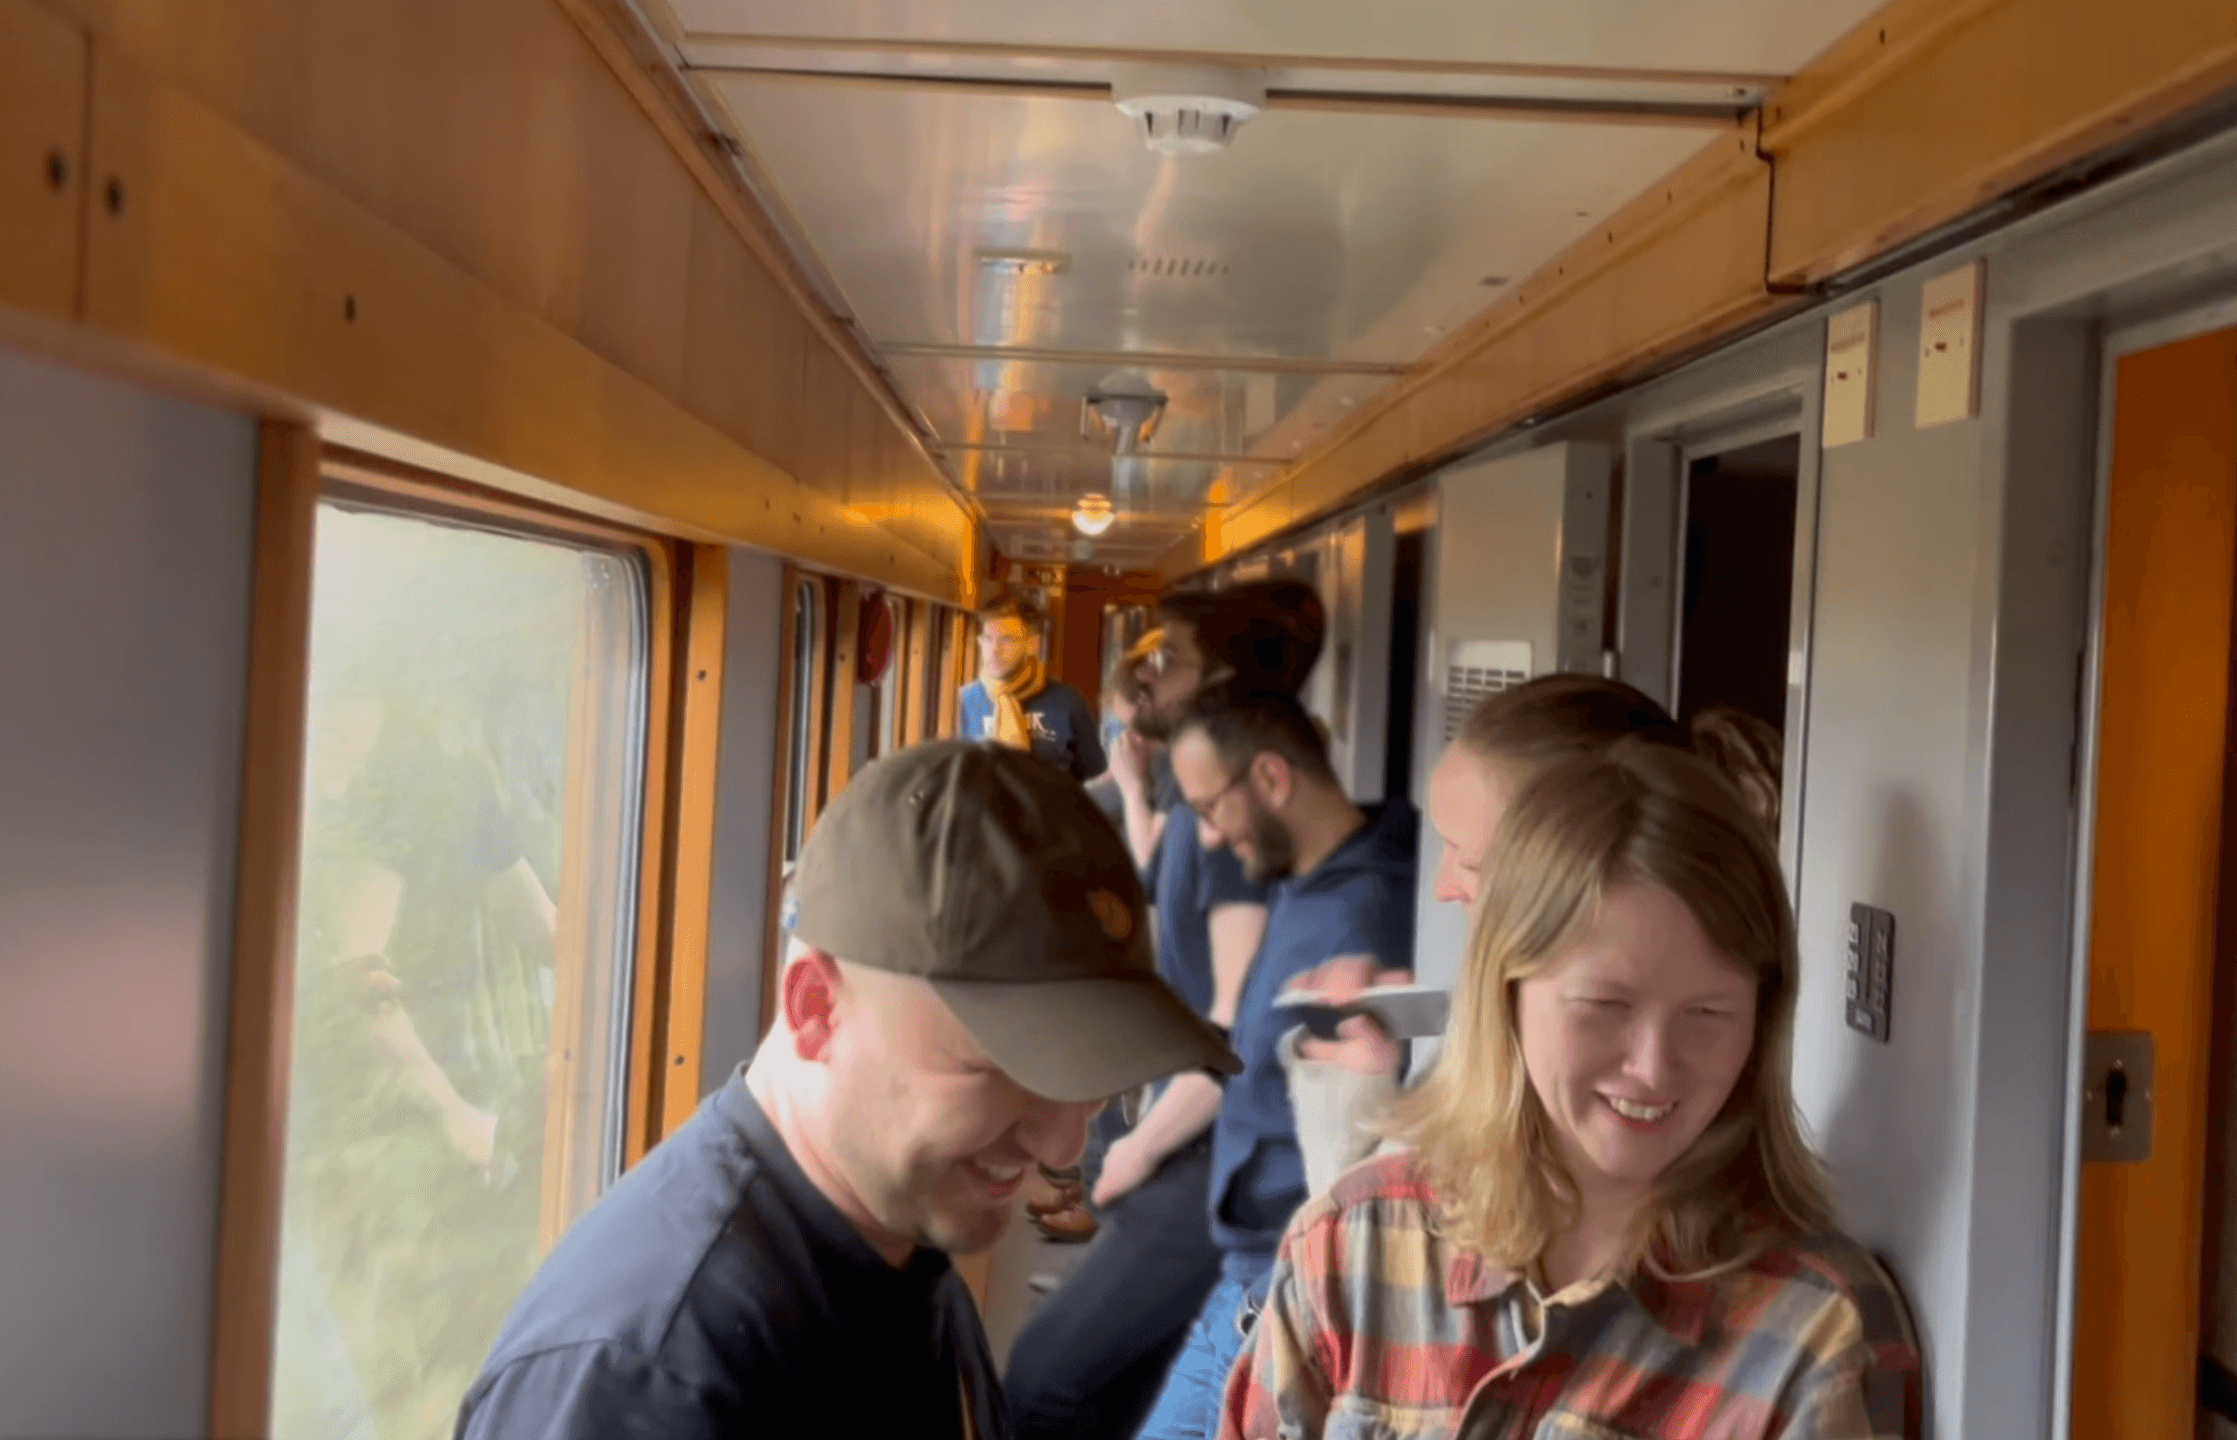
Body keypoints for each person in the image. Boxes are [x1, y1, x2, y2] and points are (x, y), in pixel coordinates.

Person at [453, 741, 1239, 1440]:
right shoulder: (645, 1381)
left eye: (1091, 1076)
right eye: (1010, 1064)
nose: (1064, 1145)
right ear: (815, 1011)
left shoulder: (895, 1245)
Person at [1220, 741, 1922, 1439]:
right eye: (1604, 1006)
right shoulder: (1349, 1243)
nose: (1652, 1067)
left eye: (1706, 1014)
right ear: (1506, 993)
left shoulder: (1821, 1331)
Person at [1002, 582, 1321, 1440]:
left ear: (1216, 674)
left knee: (1041, 1384)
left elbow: (1238, 1035)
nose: (1142, 670)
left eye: (1162, 655)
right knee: (1125, 1386)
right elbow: (1158, 882)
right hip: (1197, 1139)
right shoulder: (1196, 799)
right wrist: (1138, 790)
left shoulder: (1237, 822)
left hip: (1223, 1154)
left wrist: (1137, 1149)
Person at [1281, 678, 1784, 1195]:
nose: (1443, 887)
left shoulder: (1573, 1087)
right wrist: (1361, 1082)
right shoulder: (1494, 1023)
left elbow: (1366, 1252)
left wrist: (1343, 1112)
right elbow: (1362, 1246)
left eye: (1470, 861)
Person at [1135, 681, 1417, 1440]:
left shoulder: (1360, 919)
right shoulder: (1313, 885)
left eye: (1208, 808)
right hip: (1251, 1269)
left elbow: (1359, 1144)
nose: (1211, 840)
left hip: (1278, 1276)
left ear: (1269, 777)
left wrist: (1281, 1303)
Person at [960, 595, 1104, 782]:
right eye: (988, 638)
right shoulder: (966, 699)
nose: (994, 650)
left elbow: (1094, 777)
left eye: (1007, 640)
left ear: (1032, 645)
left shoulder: (1068, 701)